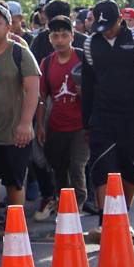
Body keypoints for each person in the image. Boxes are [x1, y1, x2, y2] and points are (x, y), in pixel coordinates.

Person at [79, 0, 134, 234]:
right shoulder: (90, 44)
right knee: (102, 167)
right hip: (102, 114)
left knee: (131, 169)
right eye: (101, 26)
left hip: (133, 114)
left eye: (110, 25)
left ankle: (122, 216)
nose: (105, 31)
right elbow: (87, 86)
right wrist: (86, 122)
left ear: (120, 20)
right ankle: (106, 221)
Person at [0, 2, 40, 229]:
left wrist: (26, 123)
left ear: (8, 27)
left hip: (14, 132)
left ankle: (15, 229)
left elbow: (33, 89)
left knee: (14, 183)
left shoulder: (19, 52)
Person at [35, 15, 91, 208]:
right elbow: (41, 97)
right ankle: (64, 206)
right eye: (55, 36)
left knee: (77, 167)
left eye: (64, 36)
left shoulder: (83, 58)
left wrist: (84, 93)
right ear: (50, 39)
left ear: (72, 37)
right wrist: (40, 125)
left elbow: (97, 92)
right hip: (56, 126)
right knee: (59, 169)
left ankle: (79, 205)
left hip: (81, 126)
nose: (59, 40)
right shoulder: (47, 63)